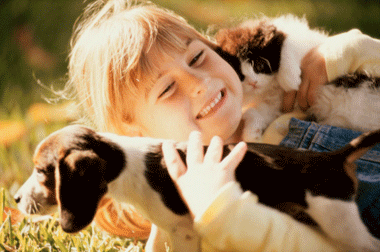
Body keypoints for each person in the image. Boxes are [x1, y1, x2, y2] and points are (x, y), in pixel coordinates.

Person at [65, 0, 380, 250]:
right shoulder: (202, 204)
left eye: (198, 57)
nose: (198, 82)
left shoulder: (283, 97)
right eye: (167, 89)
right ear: (136, 134)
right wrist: (223, 213)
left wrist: (352, 51)